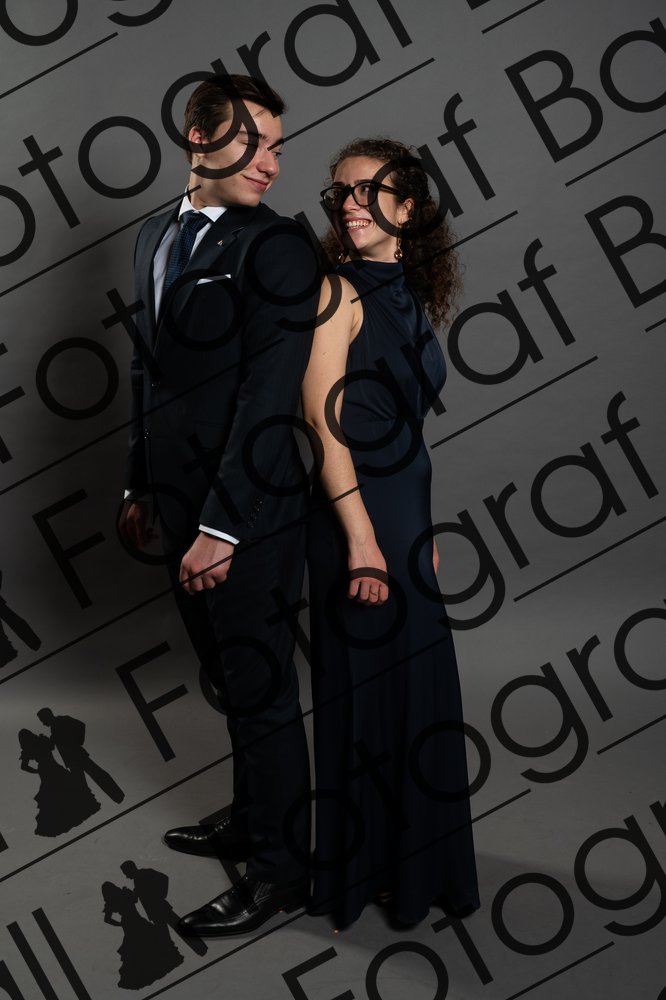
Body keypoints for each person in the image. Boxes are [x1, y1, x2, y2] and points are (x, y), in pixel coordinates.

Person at [120, 74, 319, 936]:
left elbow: (269, 397)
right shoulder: (155, 233)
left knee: (261, 686)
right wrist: (139, 481)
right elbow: (150, 367)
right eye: (253, 142)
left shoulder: (279, 247)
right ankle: (249, 820)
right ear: (198, 136)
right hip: (175, 500)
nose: (271, 163)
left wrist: (221, 526)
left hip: (247, 514)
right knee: (231, 682)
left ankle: (281, 872)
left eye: (277, 147)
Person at [302, 138, 480, 927]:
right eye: (341, 192)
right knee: (368, 692)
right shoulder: (335, 292)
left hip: (406, 519)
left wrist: (420, 528)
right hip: (356, 517)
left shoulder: (407, 292)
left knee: (417, 690)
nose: (351, 205)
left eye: (369, 191)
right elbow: (324, 426)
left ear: (408, 209)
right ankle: (368, 868)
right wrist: (363, 541)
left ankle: (415, 866)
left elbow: (407, 428)